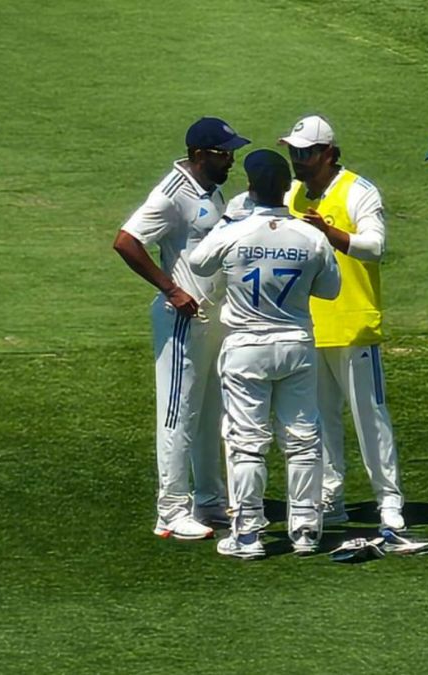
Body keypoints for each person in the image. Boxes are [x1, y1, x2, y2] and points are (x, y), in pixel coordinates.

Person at [188, 149, 342, 559]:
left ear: (251, 188)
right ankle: (307, 530)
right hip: (296, 345)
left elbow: (199, 263)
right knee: (303, 438)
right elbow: (330, 290)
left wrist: (228, 223)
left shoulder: (235, 230)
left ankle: (248, 534)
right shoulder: (310, 237)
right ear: (287, 189)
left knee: (246, 441)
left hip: (245, 348)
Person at [113, 117, 250, 540]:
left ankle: (209, 500)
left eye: (232, 152)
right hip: (182, 321)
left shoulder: (211, 189)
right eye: (223, 153)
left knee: (211, 411)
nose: (231, 159)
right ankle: (170, 509)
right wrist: (171, 290)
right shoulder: (172, 194)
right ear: (198, 155)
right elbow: (126, 241)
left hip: (212, 320)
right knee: (178, 411)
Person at [277, 115, 405, 531]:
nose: (298, 160)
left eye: (306, 153)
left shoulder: (358, 191)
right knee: (319, 419)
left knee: (370, 416)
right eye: (294, 153)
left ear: (329, 153)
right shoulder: (293, 193)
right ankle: (331, 495)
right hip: (308, 323)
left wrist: (330, 233)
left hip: (352, 323)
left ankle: (388, 500)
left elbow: (375, 246)